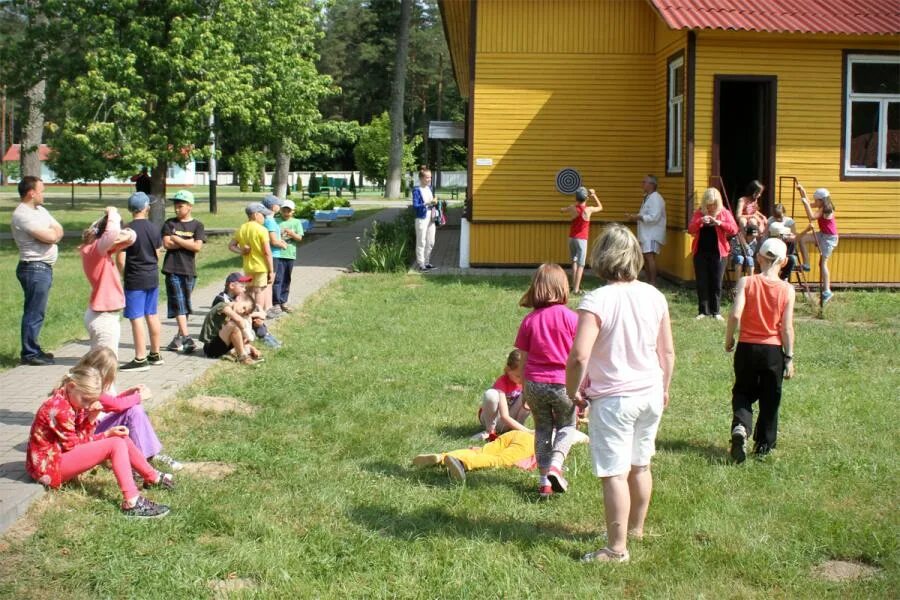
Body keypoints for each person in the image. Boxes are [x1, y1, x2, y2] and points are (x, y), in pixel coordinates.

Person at [566, 223, 674, 564]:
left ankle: (616, 548)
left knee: (614, 471)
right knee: (640, 465)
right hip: (650, 393)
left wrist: (573, 392)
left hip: (615, 399)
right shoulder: (655, 296)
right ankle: (636, 529)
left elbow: (579, 356)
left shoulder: (597, 299)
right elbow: (667, 352)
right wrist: (665, 387)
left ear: (601, 256)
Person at [26, 365, 173, 518]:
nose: (88, 405)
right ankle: (132, 502)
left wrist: (92, 420)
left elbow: (78, 437)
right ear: (71, 386)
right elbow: (75, 445)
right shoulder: (59, 409)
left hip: (59, 458)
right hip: (50, 468)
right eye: (86, 400)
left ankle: (152, 477)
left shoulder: (73, 398)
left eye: (91, 401)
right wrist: (102, 431)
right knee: (115, 443)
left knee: (120, 438)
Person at [725, 237, 796, 462]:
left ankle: (741, 427)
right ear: (784, 262)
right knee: (770, 398)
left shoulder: (746, 282)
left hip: (746, 347)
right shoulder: (787, 289)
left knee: (743, 391)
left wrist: (729, 339)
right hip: (773, 351)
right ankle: (764, 445)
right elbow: (787, 327)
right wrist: (789, 357)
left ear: (758, 257)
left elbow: (735, 314)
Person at [515, 263, 579, 499]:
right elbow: (578, 357)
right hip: (563, 384)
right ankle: (556, 465)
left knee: (542, 428)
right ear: (563, 287)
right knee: (567, 426)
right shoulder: (572, 319)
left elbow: (523, 359)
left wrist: (524, 390)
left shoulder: (530, 321)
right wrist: (581, 388)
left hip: (534, 384)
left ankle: (544, 483)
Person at [77, 347, 182, 471]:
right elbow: (116, 405)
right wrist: (139, 396)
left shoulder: (82, 381)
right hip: (89, 435)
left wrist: (128, 393)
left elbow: (109, 405)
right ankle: (143, 461)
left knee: (133, 409)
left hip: (92, 428)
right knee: (133, 410)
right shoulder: (88, 388)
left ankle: (149, 456)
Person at [12, 176, 63, 366]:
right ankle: (30, 353)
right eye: (41, 191)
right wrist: (53, 235)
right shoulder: (22, 215)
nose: (44, 194)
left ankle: (34, 347)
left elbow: (58, 229)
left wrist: (54, 235)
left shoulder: (40, 210)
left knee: (38, 312)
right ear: (31, 193)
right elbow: (50, 235)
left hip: (43, 268)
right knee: (34, 312)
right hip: (33, 268)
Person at [412, 428, 589, 483]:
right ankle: (462, 463)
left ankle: (441, 456)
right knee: (500, 460)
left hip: (515, 434)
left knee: (483, 450)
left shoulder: (549, 421)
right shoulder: (569, 431)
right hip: (529, 443)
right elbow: (585, 438)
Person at [79, 207, 137, 356]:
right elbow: (111, 233)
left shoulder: (99, 251)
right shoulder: (95, 251)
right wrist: (113, 213)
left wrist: (126, 234)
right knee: (106, 364)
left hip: (102, 315)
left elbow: (132, 238)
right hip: (103, 317)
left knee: (100, 362)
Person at [119, 192, 164, 371]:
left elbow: (121, 259)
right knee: (151, 314)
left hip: (135, 278)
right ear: (146, 208)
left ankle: (140, 358)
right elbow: (157, 253)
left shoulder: (127, 231)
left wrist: (123, 275)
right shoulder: (153, 228)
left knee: (136, 317)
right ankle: (155, 353)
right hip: (151, 276)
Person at [162, 190, 206, 353]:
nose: (176, 209)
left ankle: (178, 339)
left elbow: (197, 247)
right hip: (172, 268)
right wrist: (187, 241)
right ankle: (187, 338)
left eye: (180, 206)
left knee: (184, 304)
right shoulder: (169, 223)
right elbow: (167, 244)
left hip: (189, 270)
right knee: (179, 302)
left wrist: (176, 238)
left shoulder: (197, 225)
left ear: (189, 207)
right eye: (175, 206)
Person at [688, 188, 739, 320]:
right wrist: (700, 222)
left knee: (716, 282)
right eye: (708, 204)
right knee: (702, 281)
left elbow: (734, 229)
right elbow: (690, 229)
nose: (711, 207)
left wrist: (719, 223)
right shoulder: (699, 213)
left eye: (714, 204)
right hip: (700, 252)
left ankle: (716, 311)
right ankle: (703, 311)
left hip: (719, 253)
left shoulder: (724, 213)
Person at [472, 349, 530, 441]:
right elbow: (504, 416)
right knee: (491, 395)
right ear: (508, 370)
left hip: (510, 421)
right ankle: (490, 431)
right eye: (518, 376)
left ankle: (517, 431)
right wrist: (528, 431)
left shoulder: (524, 382)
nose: (521, 379)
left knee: (530, 394)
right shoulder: (502, 382)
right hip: (496, 419)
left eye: (524, 375)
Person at [796, 186, 839, 303]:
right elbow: (809, 203)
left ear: (821, 200)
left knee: (823, 264)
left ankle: (827, 290)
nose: (815, 202)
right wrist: (802, 191)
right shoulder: (822, 205)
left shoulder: (826, 209)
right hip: (823, 234)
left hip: (829, 238)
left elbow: (811, 217)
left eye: (816, 200)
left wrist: (805, 204)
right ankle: (806, 264)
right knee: (802, 239)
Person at [229, 203, 274, 310]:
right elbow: (267, 252)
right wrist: (271, 271)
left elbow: (231, 246)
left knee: (248, 290)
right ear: (255, 215)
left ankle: (247, 311)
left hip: (248, 267)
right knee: (259, 290)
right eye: (263, 215)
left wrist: (241, 251)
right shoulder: (262, 230)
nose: (264, 218)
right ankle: (258, 314)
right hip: (261, 267)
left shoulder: (242, 228)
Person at [198, 293, 262, 365]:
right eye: (243, 307)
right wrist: (248, 333)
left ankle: (246, 351)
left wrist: (251, 346)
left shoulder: (235, 314)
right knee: (234, 325)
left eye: (244, 312)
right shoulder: (222, 306)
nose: (242, 312)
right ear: (239, 298)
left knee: (237, 330)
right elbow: (239, 321)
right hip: (210, 349)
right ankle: (243, 357)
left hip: (222, 346)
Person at [561, 186, 603, 294]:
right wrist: (594, 195)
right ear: (586, 198)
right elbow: (600, 207)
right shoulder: (588, 210)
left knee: (574, 261)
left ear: (576, 198)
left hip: (572, 238)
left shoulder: (572, 208)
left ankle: (573, 285)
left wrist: (569, 210)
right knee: (581, 264)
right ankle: (576, 289)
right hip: (582, 239)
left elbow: (562, 210)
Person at [627, 175, 666, 285]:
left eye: (645, 182)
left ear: (652, 185)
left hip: (652, 233)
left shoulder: (656, 198)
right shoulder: (648, 197)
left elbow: (654, 217)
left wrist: (638, 217)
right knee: (646, 256)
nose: (642, 184)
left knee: (650, 257)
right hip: (646, 233)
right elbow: (645, 214)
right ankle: (649, 280)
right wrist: (634, 216)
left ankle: (653, 281)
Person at [273, 199, 304, 313]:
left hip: (290, 254)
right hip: (278, 253)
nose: (286, 212)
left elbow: (300, 238)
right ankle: (275, 302)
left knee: (287, 278)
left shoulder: (296, 222)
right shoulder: (276, 221)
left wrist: (292, 234)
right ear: (281, 210)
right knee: (278, 278)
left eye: (288, 210)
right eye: (284, 210)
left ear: (293, 211)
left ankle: (283, 301)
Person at [260, 195, 288, 316]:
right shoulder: (270, 221)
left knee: (268, 281)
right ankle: (269, 307)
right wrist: (283, 245)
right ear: (272, 206)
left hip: (271, 253)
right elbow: (273, 241)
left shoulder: (267, 219)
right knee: (270, 282)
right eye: (278, 204)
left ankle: (267, 307)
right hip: (273, 254)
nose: (280, 206)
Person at [412, 166, 438, 272]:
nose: (429, 179)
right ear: (421, 178)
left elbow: (432, 202)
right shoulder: (417, 190)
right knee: (421, 241)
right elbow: (415, 205)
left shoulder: (429, 188)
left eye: (430, 177)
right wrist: (427, 203)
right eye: (427, 177)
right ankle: (421, 264)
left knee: (431, 241)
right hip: (421, 218)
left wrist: (435, 202)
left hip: (431, 217)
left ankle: (427, 262)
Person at [765, 204, 797, 281]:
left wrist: (784, 237)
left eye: (780, 217)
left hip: (787, 247)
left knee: (792, 259)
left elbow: (794, 237)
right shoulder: (771, 220)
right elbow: (766, 235)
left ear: (784, 213)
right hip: (774, 246)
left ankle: (783, 278)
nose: (779, 219)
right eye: (776, 217)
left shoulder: (789, 221)